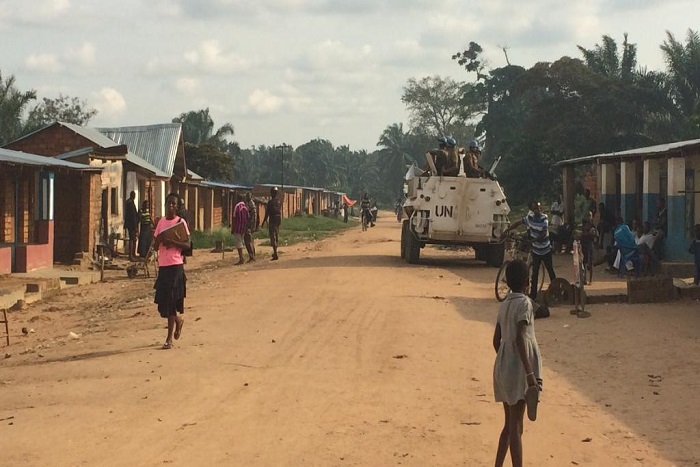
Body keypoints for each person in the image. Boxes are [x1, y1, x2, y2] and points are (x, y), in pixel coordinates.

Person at [492, 259, 543, 467]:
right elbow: (521, 337)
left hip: (504, 367)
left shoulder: (504, 305)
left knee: (509, 423)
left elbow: (496, 340)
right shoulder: (525, 304)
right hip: (520, 370)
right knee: (516, 427)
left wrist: (505, 359)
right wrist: (529, 374)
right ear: (527, 282)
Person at [153, 193, 191, 350]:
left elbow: (187, 245)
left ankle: (169, 339)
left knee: (171, 300)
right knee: (163, 302)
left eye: (173, 204)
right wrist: (159, 239)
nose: (171, 206)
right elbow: (155, 246)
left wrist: (171, 241)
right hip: (163, 266)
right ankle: (177, 320)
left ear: (177, 207)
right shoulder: (161, 222)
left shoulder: (180, 223)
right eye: (168, 203)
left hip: (176, 266)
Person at [502, 201, 557, 300]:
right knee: (534, 274)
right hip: (536, 250)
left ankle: (556, 291)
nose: (537, 210)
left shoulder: (544, 218)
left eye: (538, 208)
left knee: (550, 270)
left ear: (541, 209)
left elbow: (543, 234)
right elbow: (518, 223)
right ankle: (533, 295)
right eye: (535, 208)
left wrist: (532, 241)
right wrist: (507, 230)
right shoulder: (529, 218)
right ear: (532, 210)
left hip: (545, 249)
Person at [261, 186, 282, 260]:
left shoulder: (270, 202)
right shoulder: (278, 201)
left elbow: (267, 213)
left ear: (272, 193)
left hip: (273, 220)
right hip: (278, 220)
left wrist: (263, 222)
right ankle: (275, 252)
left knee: (272, 236)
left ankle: (275, 253)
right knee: (276, 235)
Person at [579, 211, 598, 284]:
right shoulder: (583, 225)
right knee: (584, 262)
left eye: (590, 215)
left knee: (590, 263)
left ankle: (590, 280)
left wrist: (591, 234)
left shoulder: (593, 225)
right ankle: (584, 279)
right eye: (588, 216)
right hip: (584, 244)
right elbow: (581, 234)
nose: (589, 217)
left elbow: (596, 235)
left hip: (590, 244)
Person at [231, 194, 249, 265]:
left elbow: (234, 218)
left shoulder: (237, 206)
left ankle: (241, 258)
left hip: (237, 228)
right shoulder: (245, 207)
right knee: (241, 242)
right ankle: (241, 258)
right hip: (243, 228)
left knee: (238, 243)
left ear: (238, 199)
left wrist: (233, 228)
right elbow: (248, 217)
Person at [124, 190, 139, 259]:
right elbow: (132, 215)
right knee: (132, 239)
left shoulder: (129, 202)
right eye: (134, 195)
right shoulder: (130, 203)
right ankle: (131, 255)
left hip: (130, 224)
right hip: (132, 224)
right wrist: (135, 225)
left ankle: (132, 254)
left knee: (133, 239)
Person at [244, 192, 257, 262]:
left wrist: (252, 227)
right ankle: (252, 256)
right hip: (248, 225)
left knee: (248, 241)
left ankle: (252, 256)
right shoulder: (248, 203)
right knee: (250, 240)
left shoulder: (251, 204)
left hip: (250, 226)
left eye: (248, 196)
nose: (247, 197)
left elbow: (254, 217)